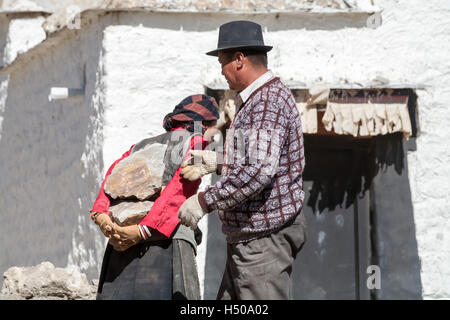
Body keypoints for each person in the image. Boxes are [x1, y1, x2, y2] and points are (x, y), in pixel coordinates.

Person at [178, 21, 307, 300]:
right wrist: (219, 161)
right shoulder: (256, 99)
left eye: (223, 62)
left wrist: (203, 202)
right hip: (252, 239)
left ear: (239, 60)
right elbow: (257, 160)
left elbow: (258, 172)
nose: (221, 72)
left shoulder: (266, 102)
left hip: (262, 242)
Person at [90, 94, 219, 300]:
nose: (215, 135)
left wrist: (100, 214)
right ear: (204, 123)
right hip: (164, 244)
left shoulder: (140, 146)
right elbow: (179, 190)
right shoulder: (196, 142)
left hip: (121, 241)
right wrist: (142, 231)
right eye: (215, 127)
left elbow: (110, 179)